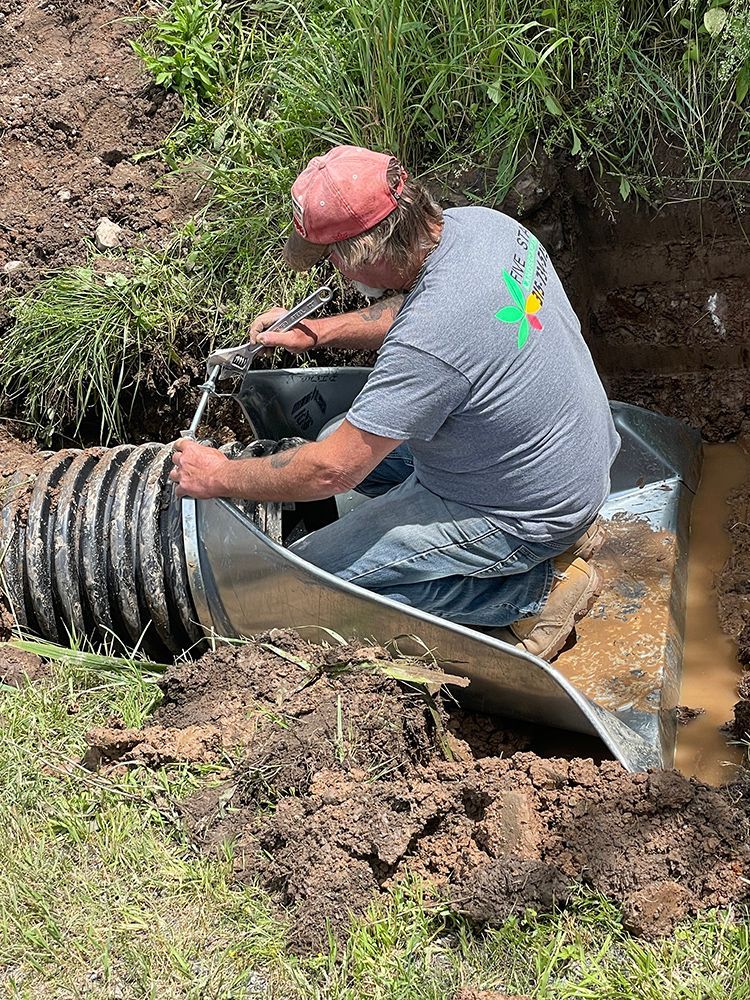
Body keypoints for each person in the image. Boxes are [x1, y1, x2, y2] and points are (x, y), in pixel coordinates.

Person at [170, 144, 621, 660]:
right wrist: (317, 332)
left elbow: (330, 473)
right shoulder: (480, 228)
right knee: (329, 432)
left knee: (306, 585)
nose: (336, 273)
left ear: (368, 252)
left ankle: (532, 593)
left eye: (334, 257)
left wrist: (219, 476)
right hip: (568, 462)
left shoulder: (431, 339)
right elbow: (418, 311)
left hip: (521, 510)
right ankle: (569, 532)